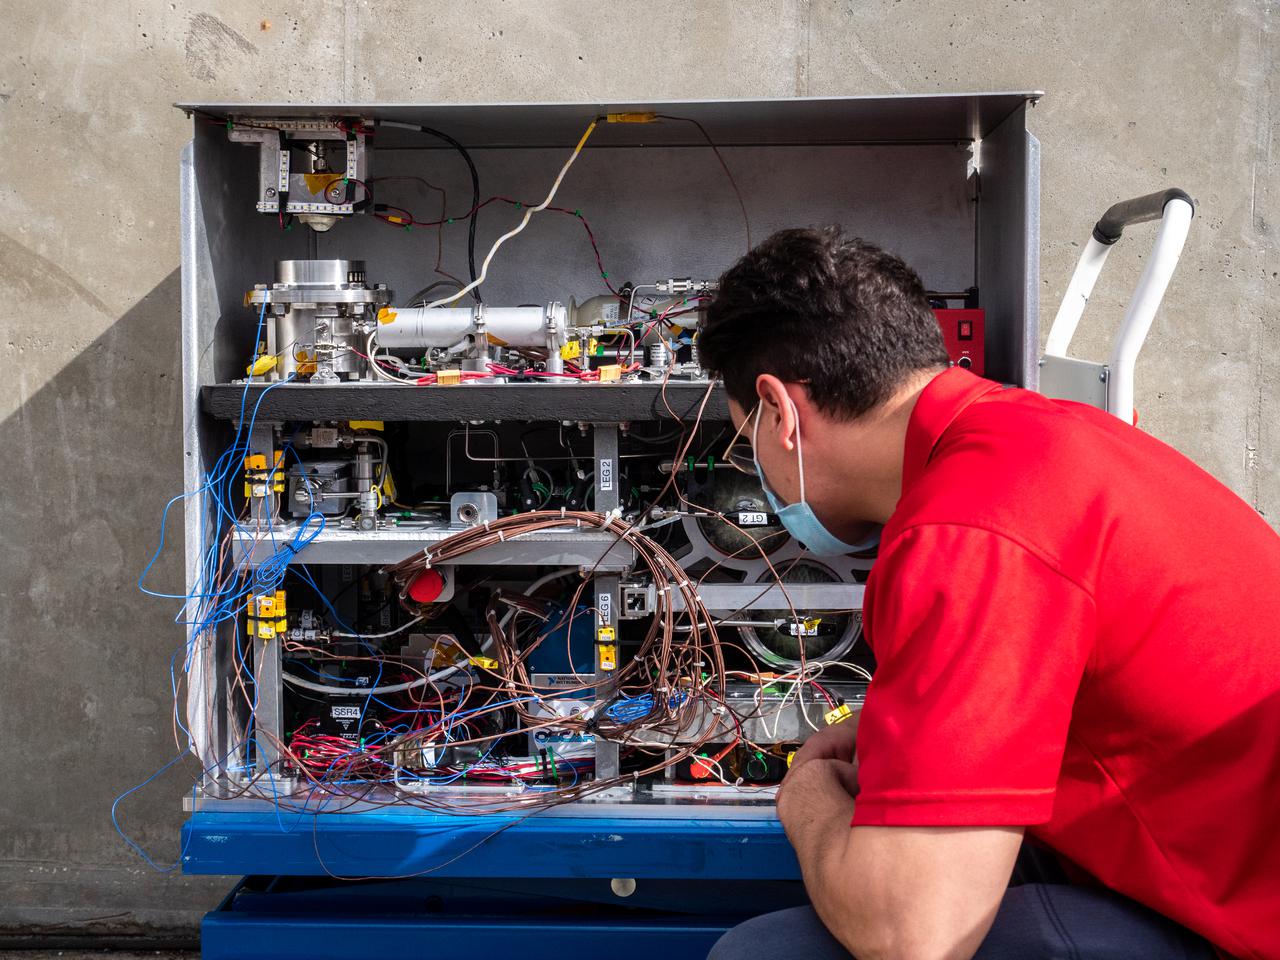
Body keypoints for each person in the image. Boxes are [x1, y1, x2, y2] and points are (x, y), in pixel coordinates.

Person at [697, 227, 1280, 960]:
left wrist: (804, 798)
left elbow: (914, 939)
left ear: (779, 413)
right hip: (1206, 848)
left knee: (762, 954)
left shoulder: (972, 528)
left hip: (1240, 925)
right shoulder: (1043, 436)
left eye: (743, 440)